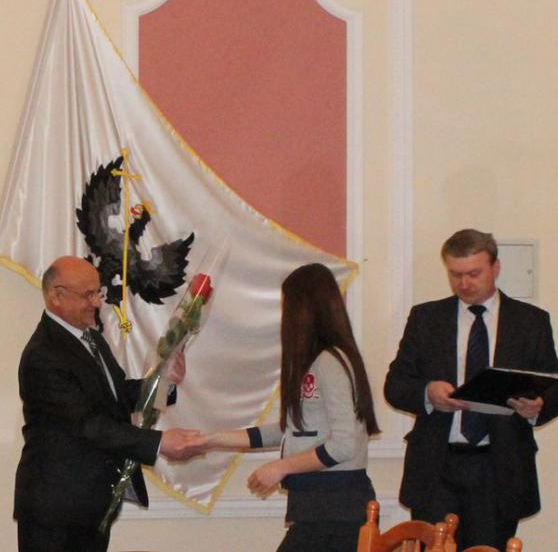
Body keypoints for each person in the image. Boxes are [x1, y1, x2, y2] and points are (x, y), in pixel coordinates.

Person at [384, 228, 558, 549]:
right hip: (437, 466)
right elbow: (395, 386)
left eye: (473, 274)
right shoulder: (426, 318)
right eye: (455, 275)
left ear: (496, 268)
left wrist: (538, 407)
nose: (464, 283)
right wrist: (428, 392)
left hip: (498, 468)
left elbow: (553, 388)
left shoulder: (530, 322)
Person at [13, 256, 201, 552]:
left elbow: (117, 395)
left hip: (90, 504)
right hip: (56, 509)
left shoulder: (90, 339)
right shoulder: (43, 355)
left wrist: (165, 382)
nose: (97, 303)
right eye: (88, 295)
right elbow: (88, 425)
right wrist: (158, 442)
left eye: (98, 293)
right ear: (56, 295)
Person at [197, 263, 379, 552]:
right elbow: (294, 430)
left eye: (288, 307)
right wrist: (212, 439)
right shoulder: (318, 362)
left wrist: (281, 467)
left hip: (337, 510)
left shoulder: (330, 363)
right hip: (319, 509)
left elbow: (345, 444)